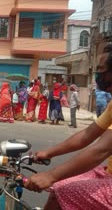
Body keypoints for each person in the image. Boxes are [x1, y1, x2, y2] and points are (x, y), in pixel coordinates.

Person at [24, 44, 112, 210]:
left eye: (101, 70)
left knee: (62, 193)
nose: (97, 75)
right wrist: (49, 152)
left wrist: (51, 175)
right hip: (107, 173)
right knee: (58, 187)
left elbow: (102, 149)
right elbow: (87, 134)